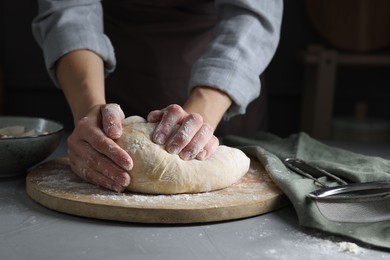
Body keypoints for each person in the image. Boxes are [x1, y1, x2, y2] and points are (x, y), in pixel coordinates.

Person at [32, 0, 283, 192]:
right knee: (112, 148)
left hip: (223, 76)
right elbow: (70, 11)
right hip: (110, 69)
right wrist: (90, 107)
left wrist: (201, 116)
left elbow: (251, 15)